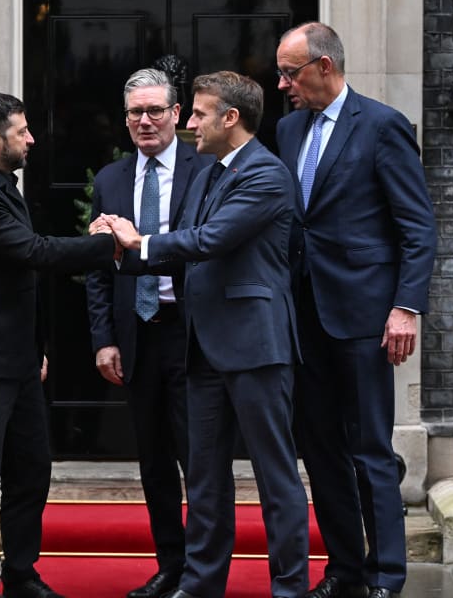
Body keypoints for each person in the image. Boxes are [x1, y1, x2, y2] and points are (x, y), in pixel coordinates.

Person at [100, 71, 310, 598]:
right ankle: (199, 585)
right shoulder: (211, 173)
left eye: (197, 114)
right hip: (203, 348)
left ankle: (288, 588)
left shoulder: (266, 174)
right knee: (205, 478)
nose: (189, 123)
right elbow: (183, 247)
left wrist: (140, 242)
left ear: (230, 118)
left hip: (256, 346)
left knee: (275, 476)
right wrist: (113, 250)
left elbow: (210, 239)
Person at [274, 22, 437, 598]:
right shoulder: (288, 129)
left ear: (324, 66)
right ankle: (343, 569)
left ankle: (386, 575)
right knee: (318, 449)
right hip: (303, 314)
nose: (283, 83)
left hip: (365, 315)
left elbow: (417, 227)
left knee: (370, 449)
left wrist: (405, 307)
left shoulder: (382, 125)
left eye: (290, 72)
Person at [0, 92, 119, 598]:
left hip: (14, 359)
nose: (31, 139)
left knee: (32, 471)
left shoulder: (0, 185)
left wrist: (34, 348)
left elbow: (13, 277)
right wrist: (111, 245)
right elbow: (34, 253)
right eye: (22, 131)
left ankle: (20, 574)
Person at [85, 68, 213, 598]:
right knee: (155, 462)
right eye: (135, 112)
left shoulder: (205, 169)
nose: (144, 121)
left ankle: (205, 572)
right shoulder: (111, 180)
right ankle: (171, 567)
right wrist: (103, 338)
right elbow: (97, 268)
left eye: (155, 110)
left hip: (192, 335)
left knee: (199, 460)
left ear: (176, 114)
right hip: (136, 337)